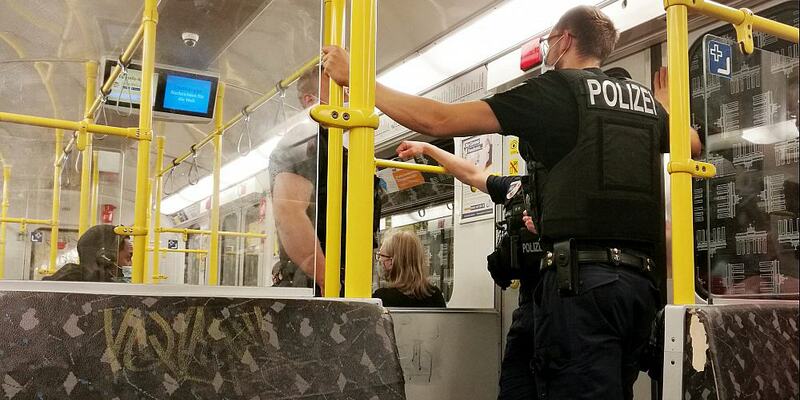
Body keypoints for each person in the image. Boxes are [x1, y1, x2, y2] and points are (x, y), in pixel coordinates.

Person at [322, 5, 701, 399]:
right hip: (642, 290)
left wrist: (360, 80)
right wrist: (667, 107)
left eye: (549, 40)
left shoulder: (557, 92)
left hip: (582, 289)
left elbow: (439, 120)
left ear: (565, 40)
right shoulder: (642, 102)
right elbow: (692, 144)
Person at [395, 140, 541, 397]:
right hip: (528, 312)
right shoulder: (516, 188)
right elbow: (472, 174)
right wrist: (428, 150)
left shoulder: (572, 196)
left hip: (567, 310)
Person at [269, 67, 380, 295]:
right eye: (340, 91)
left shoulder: (336, 147)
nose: (348, 97)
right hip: (315, 284)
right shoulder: (305, 138)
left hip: (339, 278)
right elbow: (289, 213)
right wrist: (328, 281)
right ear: (311, 101)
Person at [373, 230, 446, 307]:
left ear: (392, 262)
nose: (379, 260)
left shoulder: (381, 299)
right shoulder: (435, 295)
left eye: (381, 255)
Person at [42, 224, 132, 282]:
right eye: (128, 258)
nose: (131, 264)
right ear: (105, 258)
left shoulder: (105, 285)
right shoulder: (70, 280)